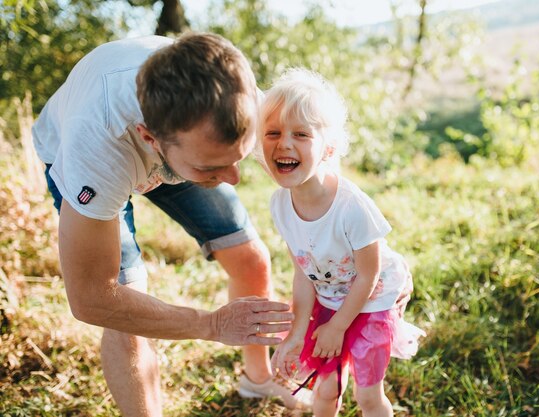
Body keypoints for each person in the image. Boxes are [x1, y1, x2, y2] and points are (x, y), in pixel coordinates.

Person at [32, 33, 312, 415]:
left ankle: (257, 379)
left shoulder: (240, 97)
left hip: (178, 157)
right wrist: (211, 325)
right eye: (213, 167)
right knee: (127, 317)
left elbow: (320, 171)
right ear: (150, 139)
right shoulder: (96, 146)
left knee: (251, 259)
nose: (233, 178)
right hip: (100, 156)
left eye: (239, 157)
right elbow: (93, 298)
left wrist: (369, 253)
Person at [261, 68, 426, 417]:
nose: (284, 143)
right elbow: (304, 272)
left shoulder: (351, 207)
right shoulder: (280, 204)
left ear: (328, 148)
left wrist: (337, 326)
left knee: (367, 396)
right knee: (326, 388)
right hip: (330, 292)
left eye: (301, 134)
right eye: (272, 132)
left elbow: (369, 274)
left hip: (374, 295)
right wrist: (296, 332)